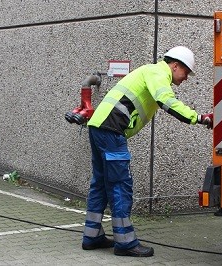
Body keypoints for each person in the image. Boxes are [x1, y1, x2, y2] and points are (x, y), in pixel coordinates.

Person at [82, 46, 213, 257]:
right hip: (112, 130)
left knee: (100, 182)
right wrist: (199, 118)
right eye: (186, 72)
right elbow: (168, 102)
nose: (186, 78)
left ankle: (92, 235)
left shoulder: (149, 72)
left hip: (99, 126)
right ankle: (125, 242)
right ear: (175, 65)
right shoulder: (158, 73)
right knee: (120, 185)